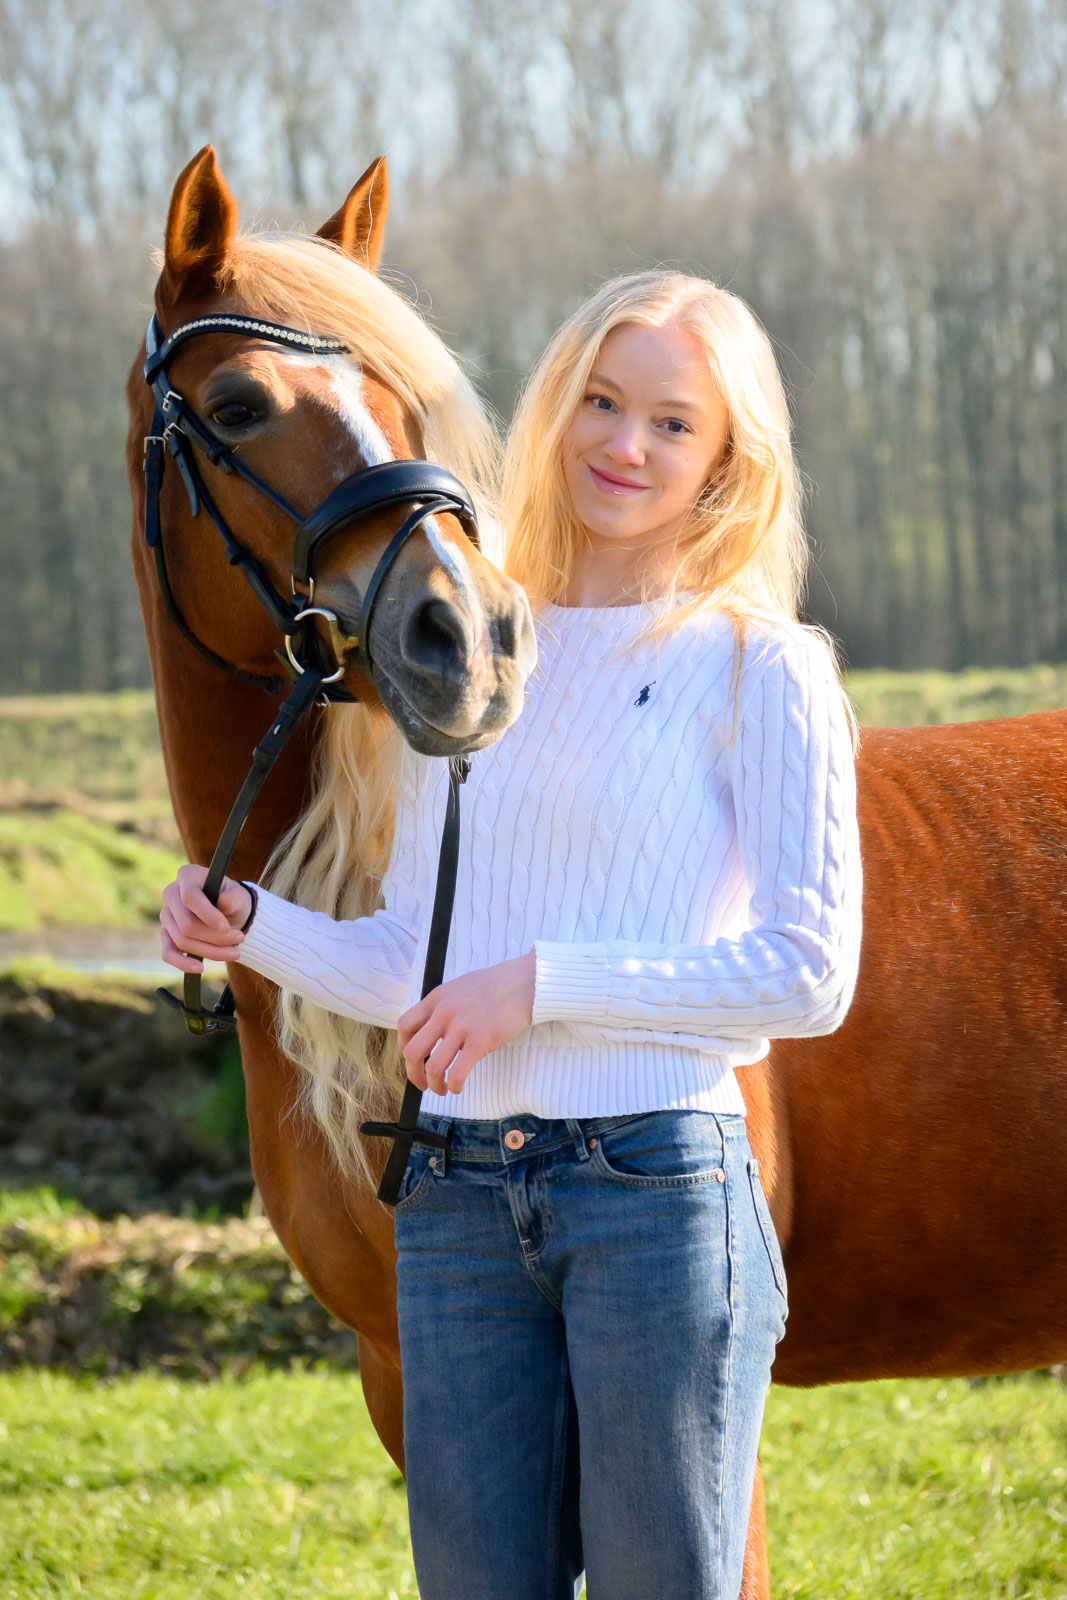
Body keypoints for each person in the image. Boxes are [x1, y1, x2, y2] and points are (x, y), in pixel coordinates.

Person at [160, 268, 863, 1600]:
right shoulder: (478, 658)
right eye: (602, 401)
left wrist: (539, 988)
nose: (624, 444)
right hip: (458, 1203)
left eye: (672, 422)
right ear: (554, 406)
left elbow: (805, 977)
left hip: (656, 1195)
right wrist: (247, 922)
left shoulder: (762, 668)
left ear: (727, 459)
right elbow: (418, 967)